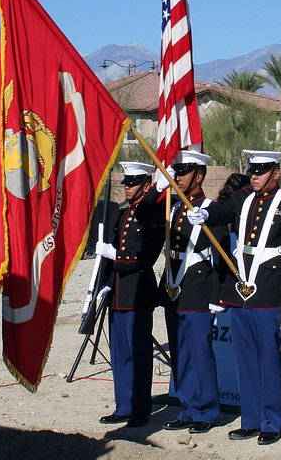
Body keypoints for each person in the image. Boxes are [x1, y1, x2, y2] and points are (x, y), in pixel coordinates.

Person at [187, 150, 281, 445]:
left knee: (270, 361)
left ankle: (272, 421)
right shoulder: (244, 199)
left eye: (261, 171)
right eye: (253, 171)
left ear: (275, 172)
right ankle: (251, 419)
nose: (255, 176)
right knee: (245, 360)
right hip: (242, 288)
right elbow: (223, 212)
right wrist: (205, 214)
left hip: (270, 288)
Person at [159, 150, 230, 434]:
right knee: (180, 353)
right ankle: (188, 406)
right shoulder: (174, 207)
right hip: (175, 289)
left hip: (198, 289)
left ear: (199, 176)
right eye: (176, 171)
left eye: (183, 172)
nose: (178, 176)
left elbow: (222, 256)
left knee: (200, 353)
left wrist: (217, 296)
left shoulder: (210, 209)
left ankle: (207, 411)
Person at [95, 161, 164, 428]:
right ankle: (123, 405)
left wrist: (116, 256)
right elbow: (107, 255)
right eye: (126, 183)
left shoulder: (154, 216)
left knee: (140, 353)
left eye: (133, 183)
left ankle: (140, 408)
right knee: (120, 354)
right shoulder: (120, 214)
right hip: (118, 292)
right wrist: (103, 283)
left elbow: (145, 256)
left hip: (139, 291)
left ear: (147, 186)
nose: (127, 188)